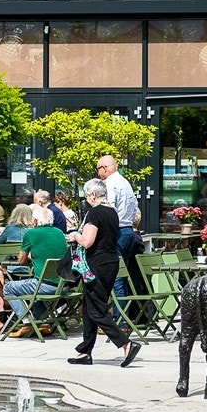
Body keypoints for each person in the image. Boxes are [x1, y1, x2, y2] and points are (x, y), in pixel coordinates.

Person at [67, 178, 140, 367]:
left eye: (86, 194)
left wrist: (75, 235)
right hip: (110, 262)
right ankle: (85, 351)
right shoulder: (111, 212)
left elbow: (87, 241)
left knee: (96, 310)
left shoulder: (95, 212)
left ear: (92, 195)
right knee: (90, 306)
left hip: (96, 265)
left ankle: (125, 343)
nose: (86, 198)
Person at [5, 204, 70, 335]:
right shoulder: (59, 233)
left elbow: (21, 260)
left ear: (35, 221)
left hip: (46, 285)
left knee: (8, 287)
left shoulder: (31, 233)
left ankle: (26, 322)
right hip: (64, 284)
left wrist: (30, 257)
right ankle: (43, 322)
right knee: (34, 289)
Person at [95, 155, 147, 309]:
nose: (98, 173)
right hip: (128, 230)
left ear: (104, 168)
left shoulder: (109, 184)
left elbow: (108, 209)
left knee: (115, 276)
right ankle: (123, 317)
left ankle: (120, 320)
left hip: (116, 232)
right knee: (123, 274)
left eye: (98, 169)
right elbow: (134, 206)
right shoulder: (125, 183)